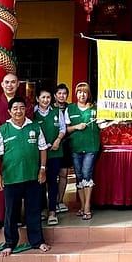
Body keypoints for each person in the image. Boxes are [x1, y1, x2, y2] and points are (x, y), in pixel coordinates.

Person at [0, 96, 50, 255]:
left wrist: (42, 169)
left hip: (33, 177)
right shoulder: (3, 130)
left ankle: (37, 242)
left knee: (34, 210)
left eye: (22, 108)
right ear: (9, 111)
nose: (19, 111)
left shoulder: (35, 127)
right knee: (11, 212)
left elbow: (43, 149)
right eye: (15, 108)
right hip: (11, 178)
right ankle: (10, 243)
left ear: (26, 110)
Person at [0, 72, 27, 232]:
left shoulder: (23, 102)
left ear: (18, 84)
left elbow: (26, 122)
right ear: (2, 84)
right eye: (7, 82)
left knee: (16, 183)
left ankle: (15, 218)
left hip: (17, 149)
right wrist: (6, 133)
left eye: (13, 82)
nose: (10, 85)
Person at [65, 82, 100, 221]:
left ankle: (87, 207)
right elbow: (65, 129)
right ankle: (82, 205)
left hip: (91, 146)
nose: (82, 94)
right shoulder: (70, 109)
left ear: (88, 94)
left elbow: (101, 125)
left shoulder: (94, 109)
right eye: (80, 92)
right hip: (75, 147)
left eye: (85, 92)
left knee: (87, 174)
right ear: (76, 93)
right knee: (79, 176)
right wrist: (76, 127)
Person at [34, 88, 67, 225]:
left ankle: (52, 211)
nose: (46, 100)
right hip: (38, 153)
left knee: (53, 181)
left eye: (48, 97)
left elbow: (63, 128)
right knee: (40, 181)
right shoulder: (33, 114)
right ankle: (43, 209)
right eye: (43, 97)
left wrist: (58, 140)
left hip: (54, 152)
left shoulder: (57, 112)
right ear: (37, 99)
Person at [54, 83, 72, 213]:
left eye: (64, 93)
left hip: (65, 145)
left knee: (64, 174)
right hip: (51, 146)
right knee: (51, 175)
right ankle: (50, 203)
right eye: (59, 93)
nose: (62, 96)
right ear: (55, 95)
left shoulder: (71, 108)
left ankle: (60, 201)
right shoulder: (48, 108)